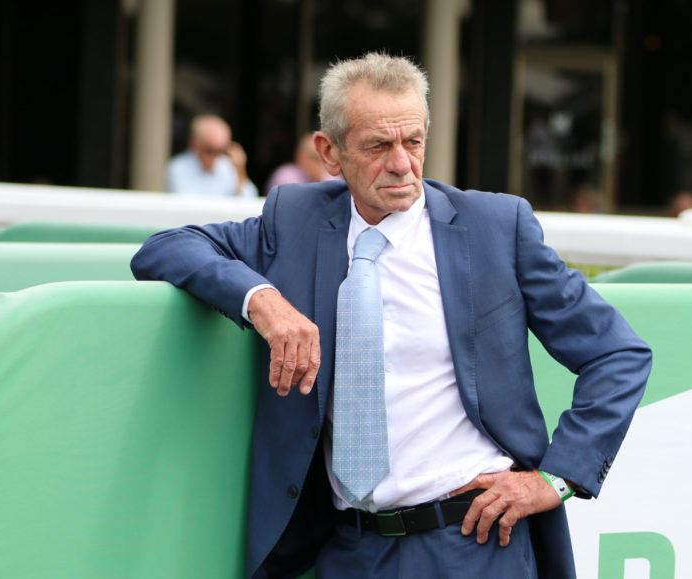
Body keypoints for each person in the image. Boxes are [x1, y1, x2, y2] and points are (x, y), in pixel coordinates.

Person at [132, 53, 651, 579]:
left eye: (414, 142)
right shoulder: (295, 220)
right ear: (329, 152)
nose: (402, 164)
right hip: (348, 550)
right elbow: (167, 247)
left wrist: (556, 479)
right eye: (378, 146)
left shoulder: (495, 228)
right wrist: (263, 301)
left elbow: (617, 354)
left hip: (475, 544)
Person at [165, 114, 259, 197]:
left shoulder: (227, 166)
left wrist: (240, 170)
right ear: (194, 145)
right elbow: (189, 204)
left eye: (222, 151)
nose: (216, 156)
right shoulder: (177, 168)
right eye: (211, 150)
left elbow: (249, 198)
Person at [264, 132, 338, 194]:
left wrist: (319, 178)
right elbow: (294, 201)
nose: (319, 163)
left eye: (322, 158)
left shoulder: (331, 176)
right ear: (300, 156)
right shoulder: (286, 174)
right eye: (314, 158)